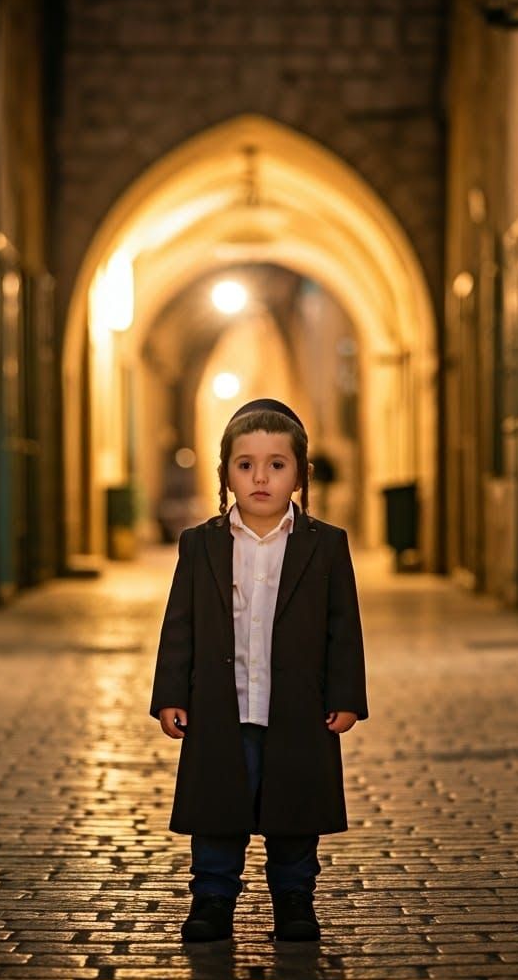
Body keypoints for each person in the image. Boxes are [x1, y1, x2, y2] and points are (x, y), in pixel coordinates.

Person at [150, 398, 368, 943]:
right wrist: (172, 693)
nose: (261, 477)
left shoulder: (326, 546)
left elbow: (344, 629)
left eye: (277, 464)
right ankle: (213, 900)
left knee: (294, 809)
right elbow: (180, 624)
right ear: (225, 473)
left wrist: (345, 695)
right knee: (217, 807)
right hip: (222, 704)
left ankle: (295, 899)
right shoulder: (200, 545)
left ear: (301, 474)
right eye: (245, 465)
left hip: (296, 704)